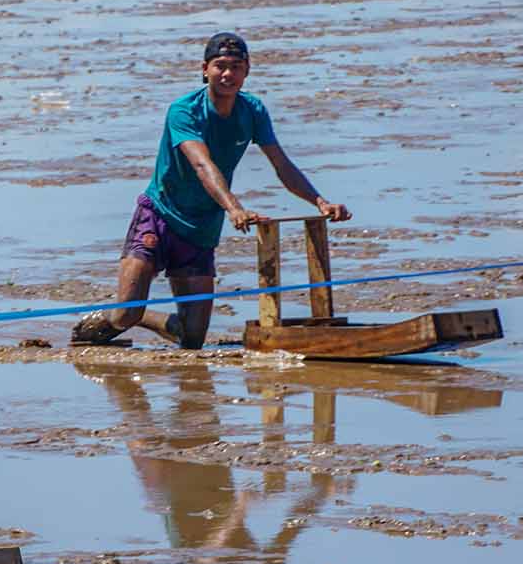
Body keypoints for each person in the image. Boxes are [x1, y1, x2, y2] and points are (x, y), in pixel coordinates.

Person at [71, 32, 351, 349]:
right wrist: (234, 208)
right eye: (220, 66)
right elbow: (202, 164)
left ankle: (142, 315)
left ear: (247, 71)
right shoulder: (184, 110)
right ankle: (115, 318)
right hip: (160, 215)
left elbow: (281, 164)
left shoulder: (253, 110)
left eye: (236, 67)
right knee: (124, 313)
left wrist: (320, 201)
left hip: (201, 227)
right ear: (205, 69)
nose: (228, 74)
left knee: (192, 338)